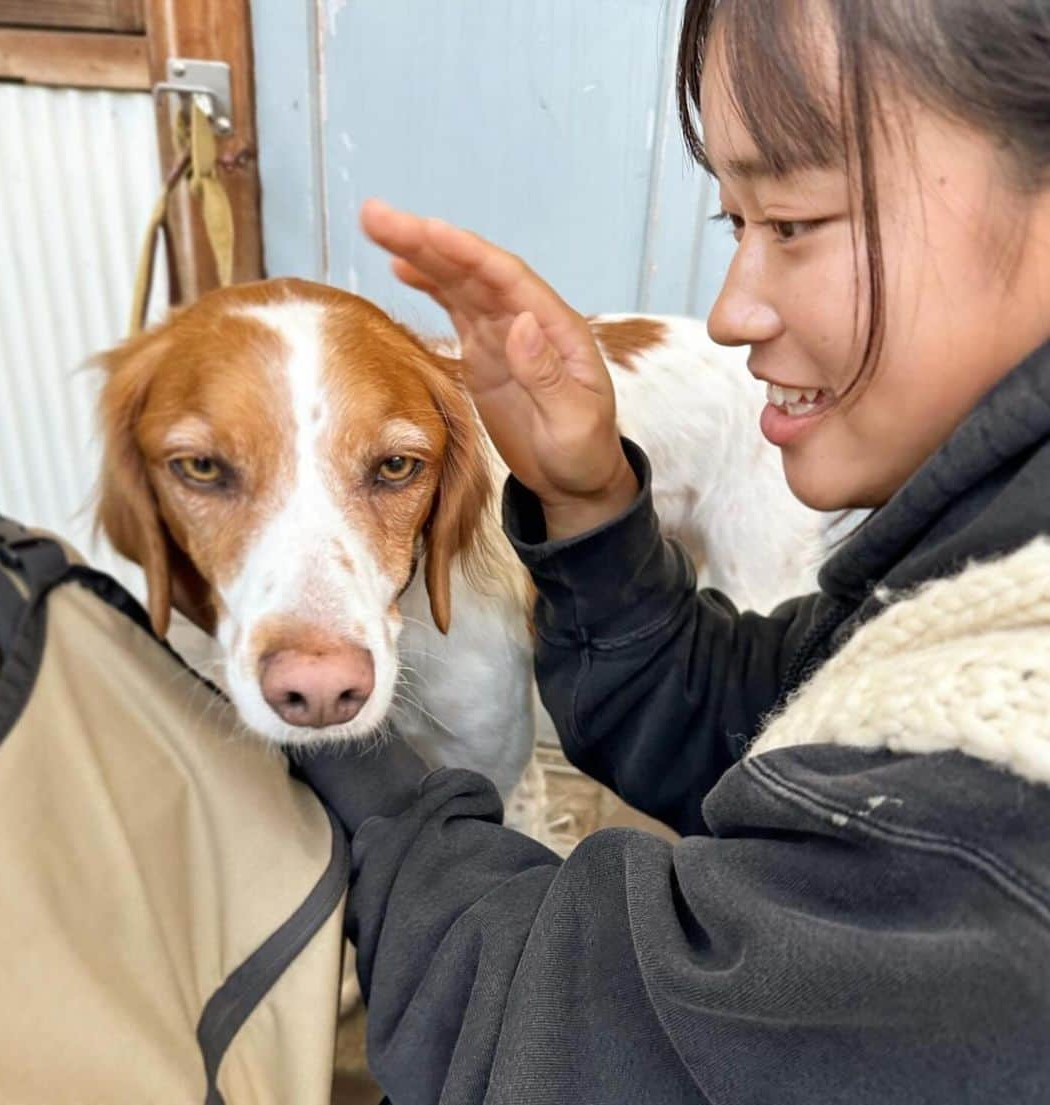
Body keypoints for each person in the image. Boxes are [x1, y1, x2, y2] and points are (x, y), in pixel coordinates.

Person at [296, 2, 1050, 1101]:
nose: (731, 311)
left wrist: (361, 772)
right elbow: (761, 714)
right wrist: (588, 496)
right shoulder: (983, 576)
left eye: (792, 220)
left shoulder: (988, 837)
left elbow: (562, 1030)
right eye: (730, 223)